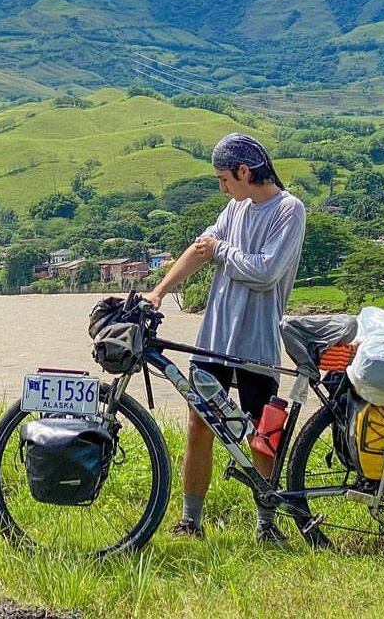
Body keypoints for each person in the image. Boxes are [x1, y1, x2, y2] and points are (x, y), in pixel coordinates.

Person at [144, 133, 306, 544]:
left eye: (223, 178)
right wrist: (159, 292)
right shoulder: (234, 209)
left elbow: (266, 271)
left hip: (257, 341)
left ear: (244, 171)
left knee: (261, 435)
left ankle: (266, 525)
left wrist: (221, 251)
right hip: (213, 337)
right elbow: (200, 250)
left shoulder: (288, 210)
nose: (222, 188)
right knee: (199, 423)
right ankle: (190, 521)